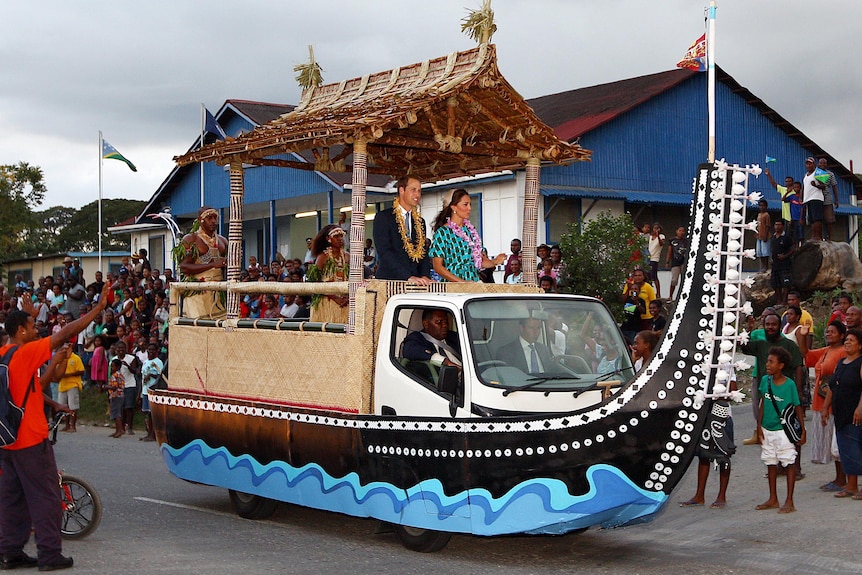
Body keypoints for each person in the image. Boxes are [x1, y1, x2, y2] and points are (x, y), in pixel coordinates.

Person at [0, 281, 110, 571]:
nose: (38, 331)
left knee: (12, 498)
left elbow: (33, 387)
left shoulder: (4, 356)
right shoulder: (25, 355)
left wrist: (53, 404)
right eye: (33, 327)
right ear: (21, 332)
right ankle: (50, 555)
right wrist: (97, 309)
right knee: (46, 497)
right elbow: (66, 331)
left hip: (7, 440)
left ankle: (10, 551)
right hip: (30, 440)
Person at [797, 321, 847, 489]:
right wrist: (803, 335)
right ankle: (839, 478)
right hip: (820, 402)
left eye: (832, 332)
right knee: (828, 442)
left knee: (836, 443)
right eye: (827, 332)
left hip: (833, 403)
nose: (828, 334)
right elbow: (806, 354)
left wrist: (828, 405)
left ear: (842, 335)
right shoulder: (825, 351)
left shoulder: (843, 352)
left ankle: (842, 479)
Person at [756, 346, 805, 513]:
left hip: (783, 431)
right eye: (767, 361)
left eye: (771, 362)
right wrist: (759, 426)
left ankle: (789, 500)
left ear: (781, 365)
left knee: (789, 462)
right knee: (770, 462)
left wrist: (802, 430)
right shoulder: (765, 381)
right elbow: (762, 403)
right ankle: (773, 498)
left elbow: (797, 406)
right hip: (767, 428)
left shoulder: (789, 384)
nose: (767, 364)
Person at [680, 364, 736, 509]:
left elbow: (733, 390)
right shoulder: (706, 363)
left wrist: (718, 394)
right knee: (703, 454)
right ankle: (699, 495)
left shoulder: (726, 366)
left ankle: (721, 496)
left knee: (723, 455)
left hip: (722, 416)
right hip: (704, 414)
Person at [429, 189, 505, 282]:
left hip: (472, 282)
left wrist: (495, 262)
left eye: (470, 204)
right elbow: (438, 267)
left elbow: (478, 260)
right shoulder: (443, 232)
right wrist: (462, 282)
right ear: (454, 207)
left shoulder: (470, 230)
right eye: (465, 204)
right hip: (453, 285)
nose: (469, 208)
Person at [823, 328, 862, 499]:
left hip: (856, 413)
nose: (847, 343)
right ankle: (851, 485)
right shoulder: (841, 363)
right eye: (846, 340)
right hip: (840, 413)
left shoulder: (860, 363)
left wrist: (860, 408)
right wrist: (825, 407)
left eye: (851, 340)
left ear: (860, 345)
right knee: (846, 450)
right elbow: (833, 386)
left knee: (858, 448)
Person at [373, 175, 433, 284]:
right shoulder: (384, 217)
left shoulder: (420, 221)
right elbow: (384, 251)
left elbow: (423, 252)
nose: (417, 195)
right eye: (413, 190)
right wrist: (407, 277)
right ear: (401, 190)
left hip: (416, 283)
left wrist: (425, 275)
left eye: (419, 191)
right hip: (390, 281)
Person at [179, 206, 227, 319]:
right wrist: (212, 265)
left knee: (219, 329)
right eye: (209, 218)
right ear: (200, 219)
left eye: (215, 218)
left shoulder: (223, 240)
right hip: (197, 293)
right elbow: (184, 267)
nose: (214, 221)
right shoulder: (191, 239)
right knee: (199, 328)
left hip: (217, 292)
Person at [307, 225, 349, 324]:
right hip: (326, 302)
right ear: (328, 239)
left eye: (341, 236)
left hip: (344, 301)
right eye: (336, 236)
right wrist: (334, 297)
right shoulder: (322, 257)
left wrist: (347, 297)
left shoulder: (347, 256)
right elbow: (315, 282)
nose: (340, 239)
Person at [764, 169, 803, 246]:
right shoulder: (783, 189)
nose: (788, 183)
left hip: (794, 216)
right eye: (786, 181)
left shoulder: (795, 191)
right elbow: (774, 184)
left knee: (796, 235)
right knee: (787, 235)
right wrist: (769, 175)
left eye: (789, 181)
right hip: (785, 216)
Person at [139, 342, 163, 442]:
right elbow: (142, 377)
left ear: (157, 351)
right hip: (145, 390)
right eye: (149, 349)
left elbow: (161, 376)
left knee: (152, 413)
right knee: (147, 413)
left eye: (153, 350)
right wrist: (139, 393)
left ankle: (153, 434)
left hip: (153, 390)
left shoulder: (158, 362)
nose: (151, 351)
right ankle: (149, 433)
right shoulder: (145, 362)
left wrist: (151, 375)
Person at [56, 349, 84, 432]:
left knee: (73, 406)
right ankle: (67, 425)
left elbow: (81, 371)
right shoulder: (60, 358)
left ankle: (73, 425)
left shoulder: (76, 358)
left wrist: (69, 375)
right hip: (62, 385)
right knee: (63, 406)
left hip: (72, 384)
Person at [770, 220, 795, 306]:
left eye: (779, 224)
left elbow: (793, 249)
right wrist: (771, 258)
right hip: (775, 265)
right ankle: (779, 301)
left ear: (783, 226)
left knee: (786, 284)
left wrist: (785, 256)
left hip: (784, 264)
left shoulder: (786, 237)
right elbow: (772, 249)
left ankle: (784, 301)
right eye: (776, 224)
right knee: (775, 284)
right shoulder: (773, 237)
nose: (777, 226)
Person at [801, 156, 825, 242]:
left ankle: (818, 236)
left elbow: (824, 186)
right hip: (808, 199)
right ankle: (813, 236)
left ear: (813, 164)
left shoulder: (819, 172)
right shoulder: (805, 175)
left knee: (817, 218)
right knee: (811, 219)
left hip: (816, 198)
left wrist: (816, 185)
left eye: (810, 163)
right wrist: (801, 198)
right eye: (807, 163)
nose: (808, 165)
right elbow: (803, 187)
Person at [818, 158, 839, 241]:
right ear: (818, 164)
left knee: (829, 219)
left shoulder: (830, 174)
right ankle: (820, 237)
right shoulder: (814, 173)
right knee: (818, 219)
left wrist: (836, 199)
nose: (822, 164)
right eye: (821, 163)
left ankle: (829, 238)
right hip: (817, 198)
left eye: (824, 163)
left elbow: (834, 187)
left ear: (826, 164)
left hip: (827, 198)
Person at [665, 226, 687, 300]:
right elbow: (669, 251)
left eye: (683, 231)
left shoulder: (686, 241)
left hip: (684, 261)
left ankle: (684, 295)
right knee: (674, 279)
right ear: (676, 231)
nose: (681, 232)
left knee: (684, 278)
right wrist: (667, 262)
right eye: (680, 230)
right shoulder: (672, 240)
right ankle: (670, 296)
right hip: (675, 261)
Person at [107, 358, 126, 439]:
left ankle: (120, 430)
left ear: (118, 367)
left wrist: (105, 387)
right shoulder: (120, 375)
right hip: (120, 395)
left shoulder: (115, 375)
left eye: (113, 366)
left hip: (116, 395)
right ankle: (117, 430)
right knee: (116, 413)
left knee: (116, 414)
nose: (112, 368)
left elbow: (114, 387)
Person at [647, 223, 665, 298]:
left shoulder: (661, 236)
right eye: (654, 228)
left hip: (654, 258)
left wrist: (658, 236)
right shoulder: (650, 236)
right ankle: (650, 292)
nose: (655, 230)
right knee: (648, 275)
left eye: (657, 228)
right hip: (648, 257)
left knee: (654, 276)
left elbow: (661, 244)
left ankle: (658, 293)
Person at [754, 199, 771, 272]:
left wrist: (765, 235)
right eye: (760, 206)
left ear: (766, 206)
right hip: (759, 236)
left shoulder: (766, 215)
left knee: (765, 252)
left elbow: (767, 226)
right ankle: (762, 266)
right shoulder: (759, 215)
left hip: (765, 236)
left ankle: (766, 266)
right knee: (759, 252)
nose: (761, 207)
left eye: (763, 206)